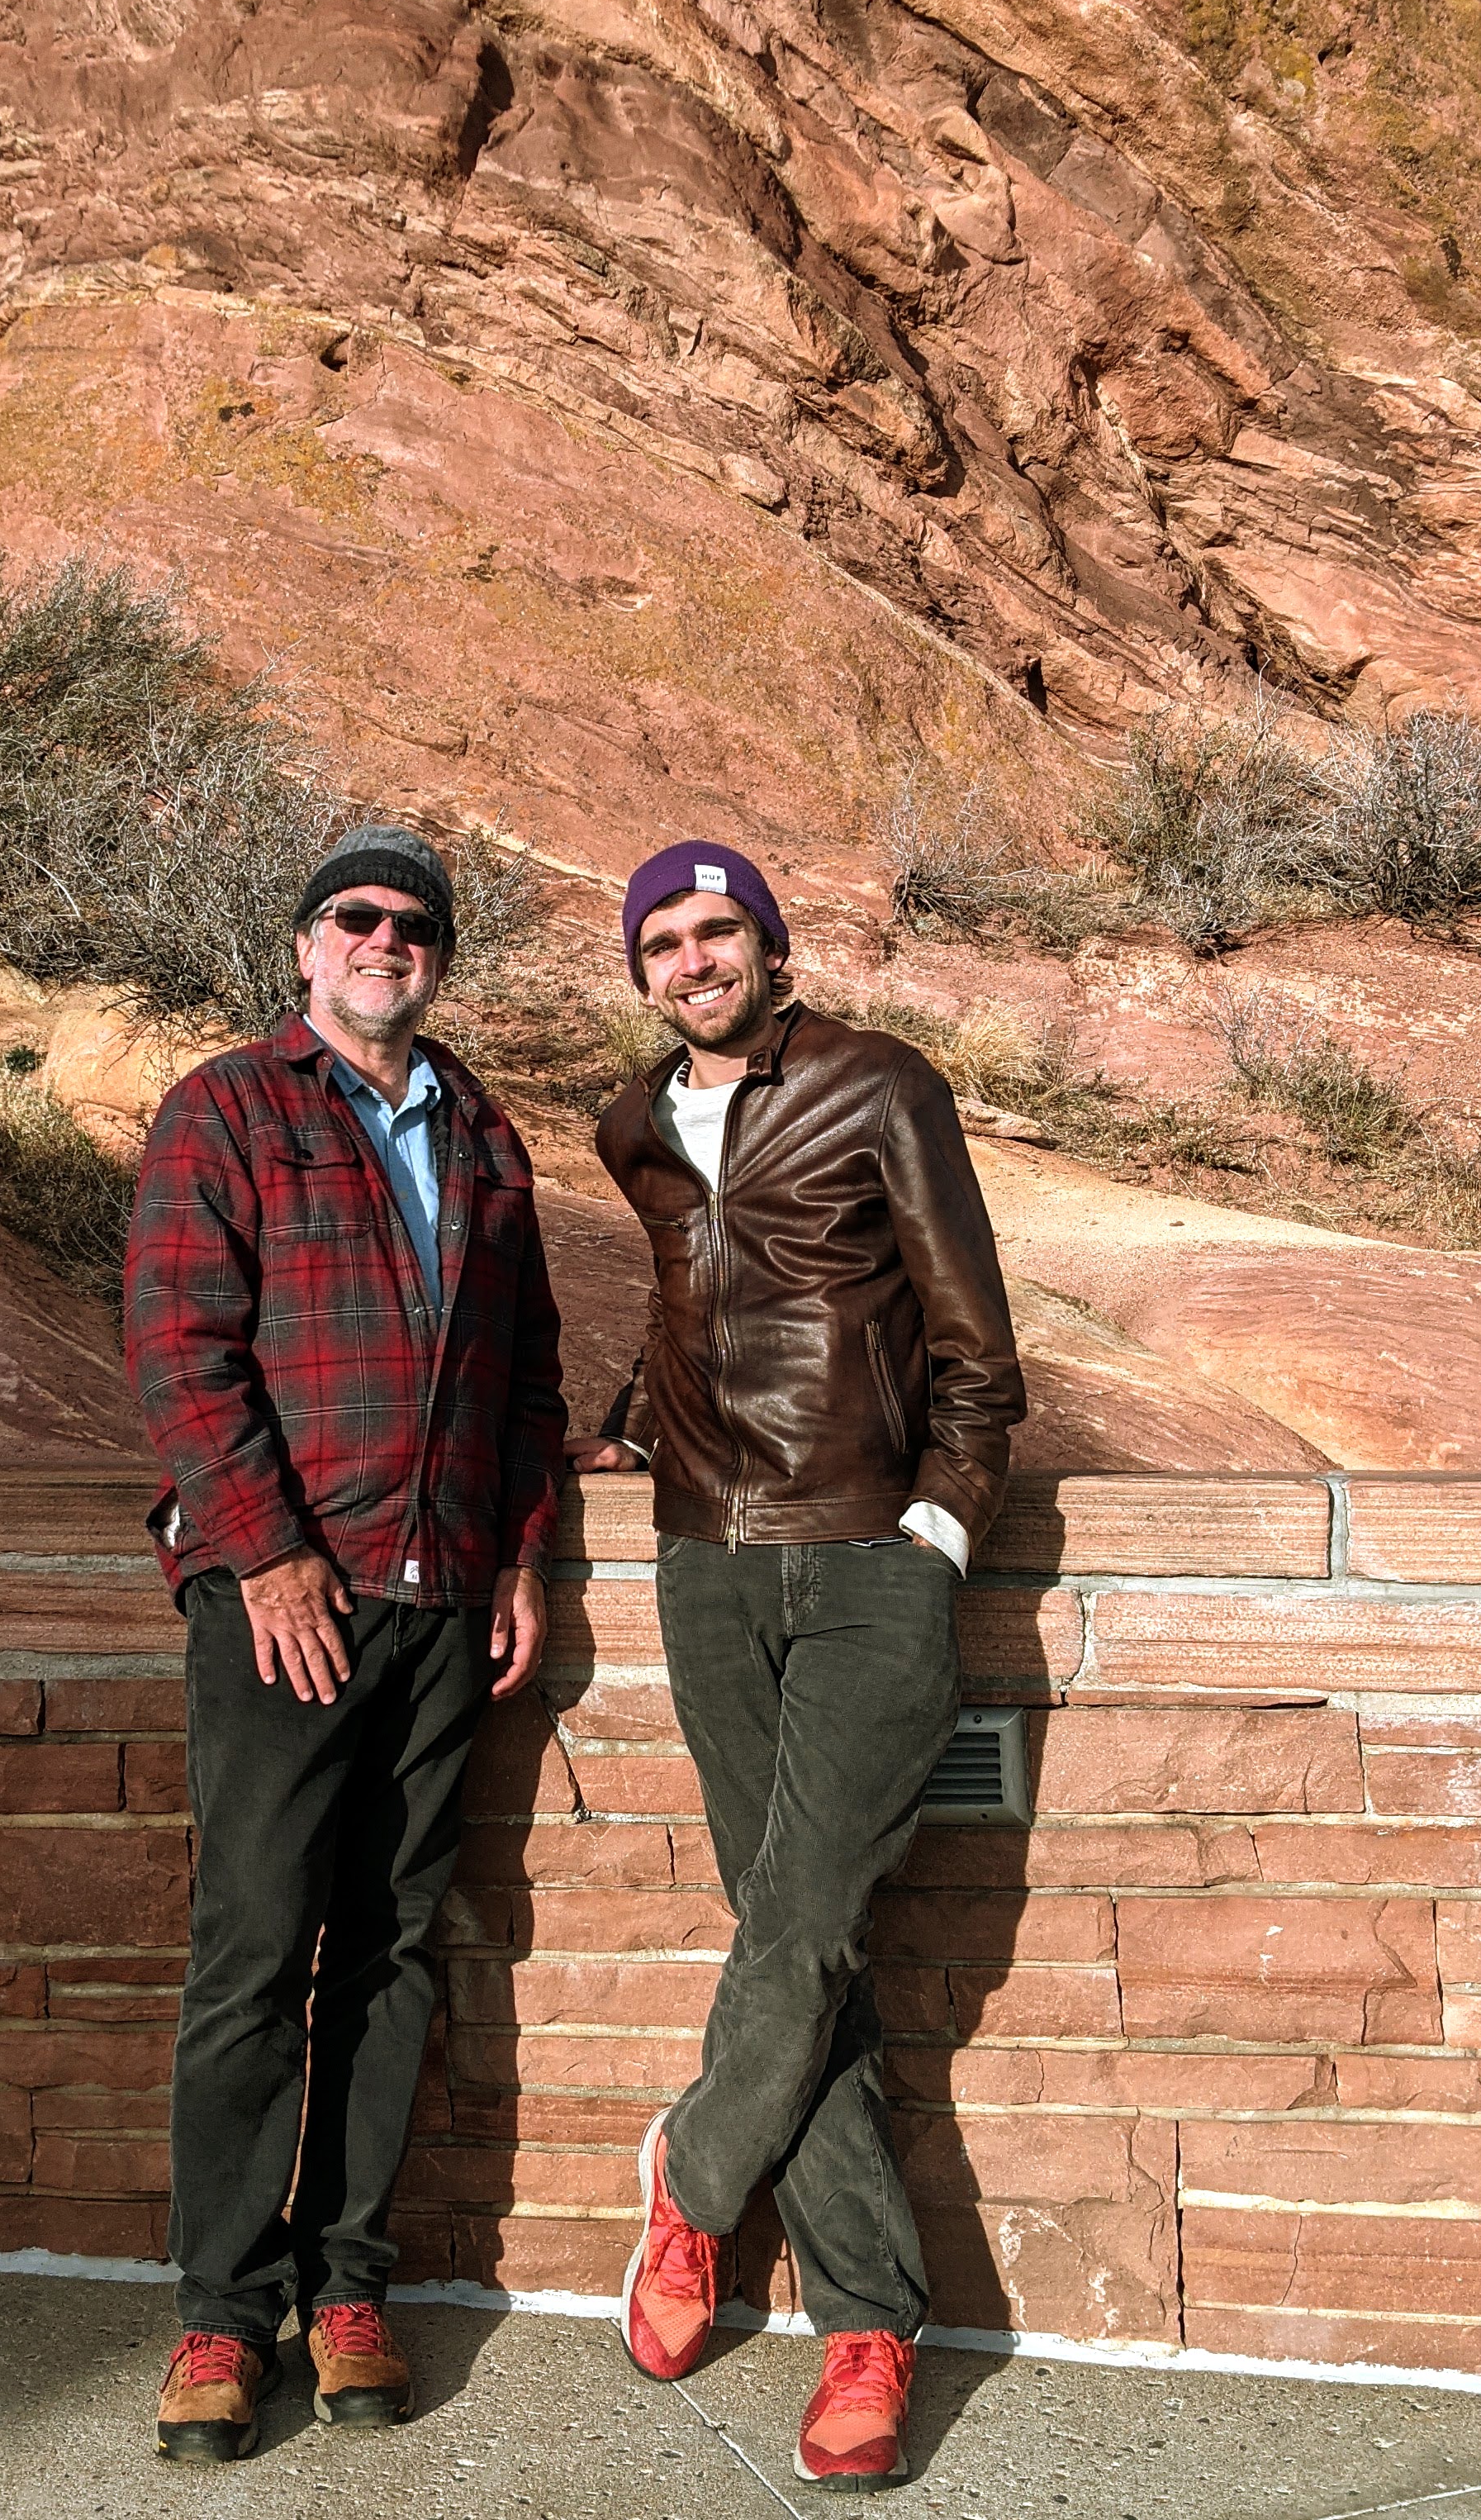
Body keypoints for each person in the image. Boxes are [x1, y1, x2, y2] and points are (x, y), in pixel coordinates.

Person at [571, 839, 1025, 2494]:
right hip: (703, 1567)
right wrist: (629, 1421)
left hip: (862, 1567)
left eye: (718, 931)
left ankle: (691, 2179)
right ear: (640, 971)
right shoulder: (631, 1121)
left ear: (768, 945)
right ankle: (862, 2326)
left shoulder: (877, 1085)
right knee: (792, 1932)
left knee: (811, 1914)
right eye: (664, 942)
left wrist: (939, 1535)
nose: (693, 960)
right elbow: (687, 1289)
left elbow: (976, 1344)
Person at [124, 823, 567, 2464]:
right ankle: (223, 2314)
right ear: (305, 948)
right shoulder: (230, 1107)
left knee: (388, 1948)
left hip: (439, 1600)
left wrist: (516, 1552)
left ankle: (348, 2281)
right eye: (354, 917)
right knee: (253, 1949)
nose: (385, 940)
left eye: (413, 925)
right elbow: (178, 1348)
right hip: (277, 1607)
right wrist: (269, 1556)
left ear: (437, 958)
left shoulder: (480, 1129)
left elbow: (524, 1373)